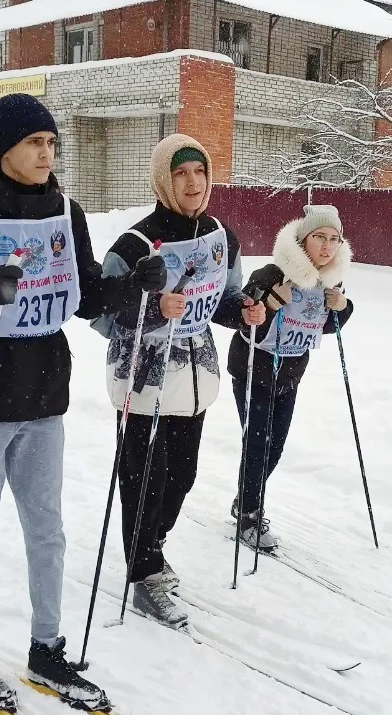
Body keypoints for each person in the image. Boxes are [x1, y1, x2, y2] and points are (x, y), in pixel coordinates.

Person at [0, 93, 161, 711]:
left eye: (52, 143)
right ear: (4, 148)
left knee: (47, 532)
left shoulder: (66, 211)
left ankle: (47, 647)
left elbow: (83, 296)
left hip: (44, 395)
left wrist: (134, 288)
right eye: (33, 143)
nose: (46, 154)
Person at [98, 134, 260, 626]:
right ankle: (143, 568)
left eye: (200, 172)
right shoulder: (135, 244)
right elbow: (100, 312)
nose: (193, 183)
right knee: (143, 478)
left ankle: (154, 543)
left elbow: (224, 300)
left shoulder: (221, 236)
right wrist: (150, 309)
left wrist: (246, 311)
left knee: (181, 477)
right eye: (181, 173)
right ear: (163, 180)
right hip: (143, 381)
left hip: (195, 378)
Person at [230, 205, 354, 551]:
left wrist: (342, 307)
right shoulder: (273, 272)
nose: (327, 246)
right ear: (302, 239)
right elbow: (244, 315)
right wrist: (269, 303)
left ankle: (246, 498)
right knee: (258, 442)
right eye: (319, 237)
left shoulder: (330, 280)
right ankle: (250, 514)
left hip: (290, 374)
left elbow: (325, 326)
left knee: (276, 446)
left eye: (334, 239)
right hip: (253, 370)